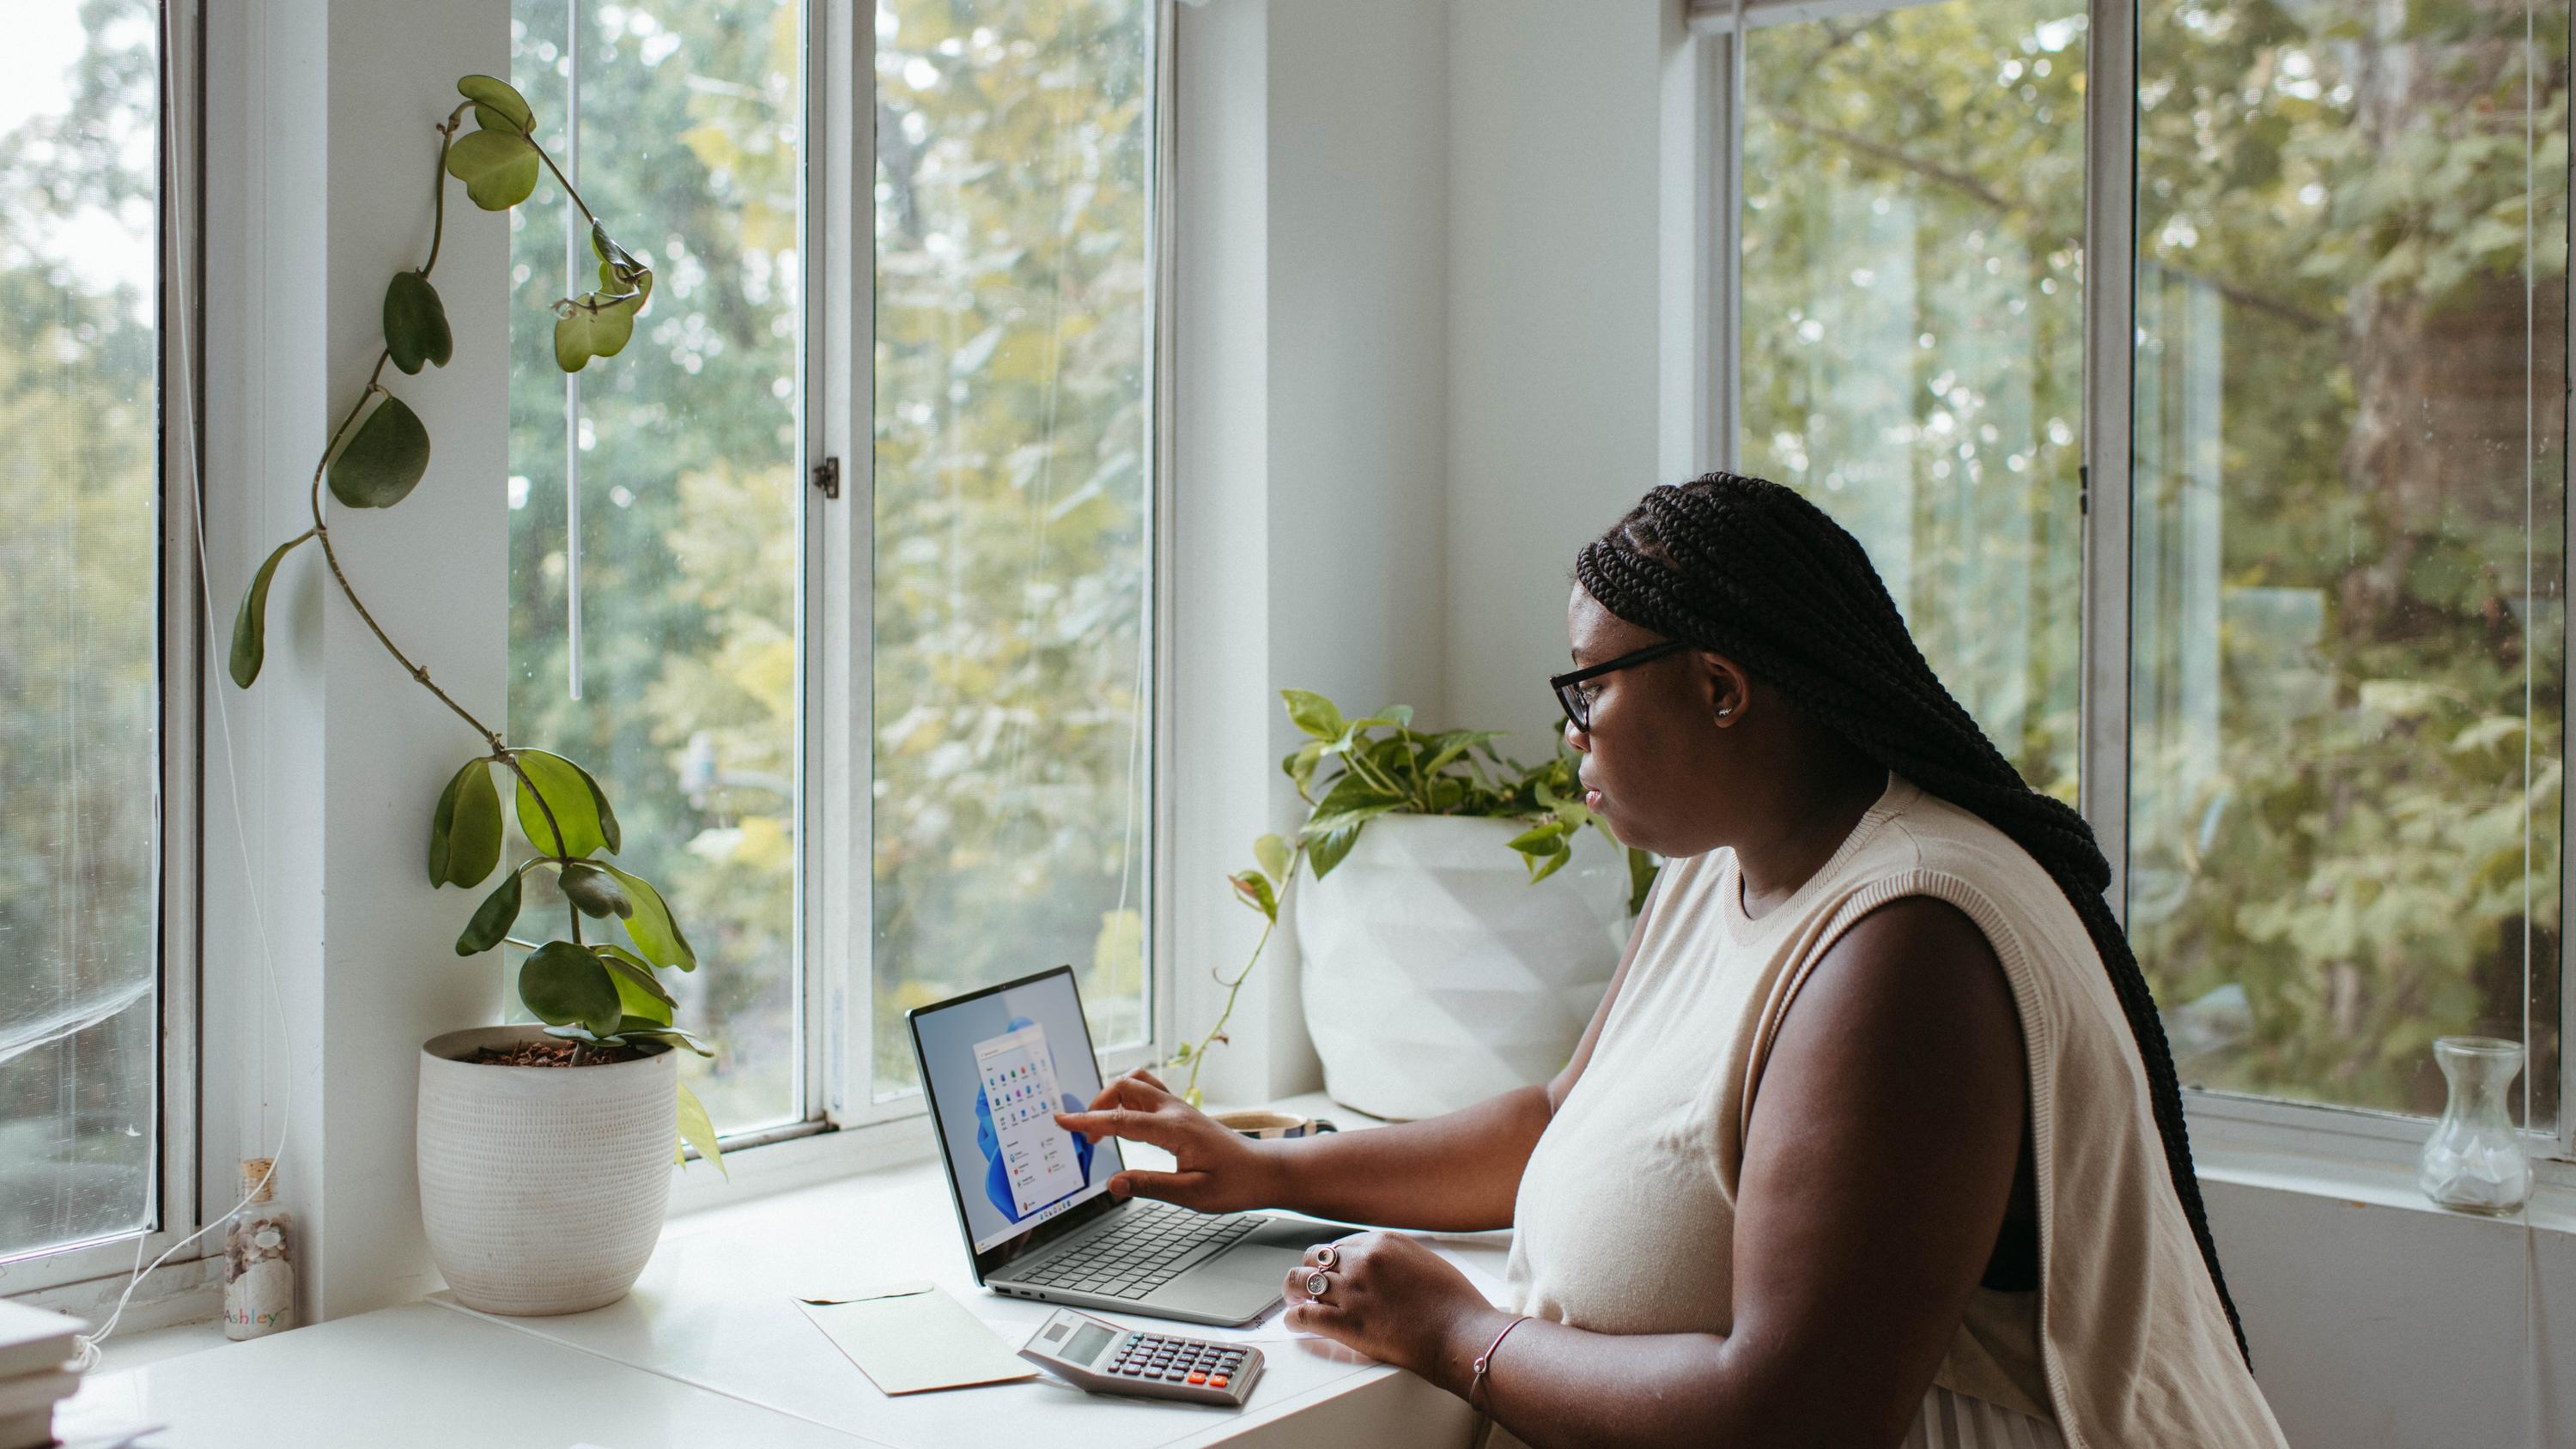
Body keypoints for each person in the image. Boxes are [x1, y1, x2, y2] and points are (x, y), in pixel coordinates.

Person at [1058, 474, 2288, 1448]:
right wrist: (1266, 1168)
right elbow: (1551, 1121)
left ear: (1718, 688)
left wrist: (1450, 1335)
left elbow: (1794, 1419)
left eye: (1587, 686)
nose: (1573, 730)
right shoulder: (1726, 862)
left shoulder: (1906, 945)